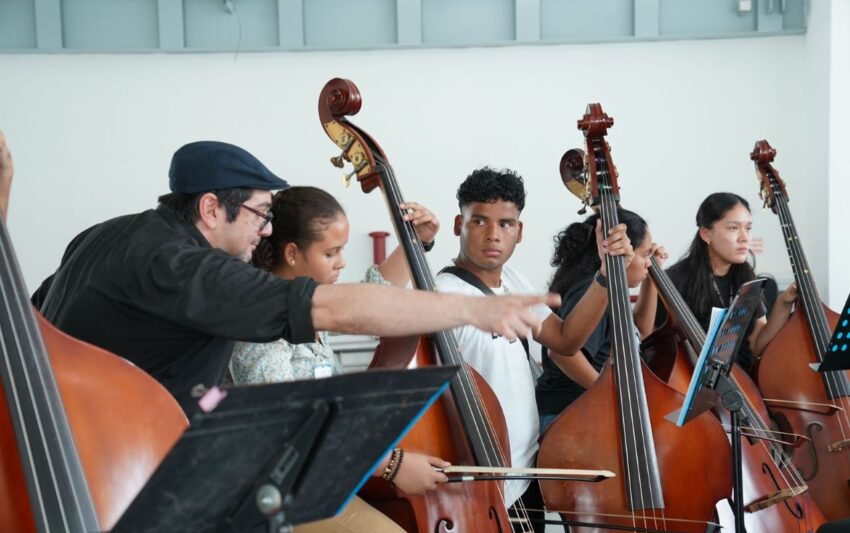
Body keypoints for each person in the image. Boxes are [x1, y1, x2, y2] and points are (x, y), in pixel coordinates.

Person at [25, 140, 557, 415]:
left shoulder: (109, 233)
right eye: (258, 213)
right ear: (212, 208)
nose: (263, 229)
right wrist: (473, 308)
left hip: (80, 444)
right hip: (118, 462)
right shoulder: (191, 269)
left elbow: (37, 315)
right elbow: (330, 308)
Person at [228, 186, 446, 533]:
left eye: (342, 250)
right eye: (330, 253)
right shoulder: (259, 327)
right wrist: (390, 464)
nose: (341, 262)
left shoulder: (309, 306)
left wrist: (416, 241)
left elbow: (375, 295)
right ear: (293, 254)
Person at [433, 167, 633, 533]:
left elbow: (565, 338)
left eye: (505, 224)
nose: (493, 234)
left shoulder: (515, 281)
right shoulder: (442, 295)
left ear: (519, 232)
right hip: (479, 482)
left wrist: (607, 275)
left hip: (525, 474)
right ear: (460, 223)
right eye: (479, 221)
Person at [535, 209, 665, 431]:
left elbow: (641, 331)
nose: (648, 263)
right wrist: (607, 393)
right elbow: (562, 355)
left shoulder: (611, 288)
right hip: (570, 414)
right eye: (645, 255)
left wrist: (654, 277)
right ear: (623, 251)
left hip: (585, 408)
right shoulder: (591, 291)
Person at [659, 192, 797, 372]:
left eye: (748, 228)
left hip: (744, 385)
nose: (744, 237)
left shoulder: (746, 276)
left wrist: (784, 303)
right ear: (706, 234)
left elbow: (757, 345)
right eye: (733, 228)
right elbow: (659, 351)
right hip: (691, 386)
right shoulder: (674, 280)